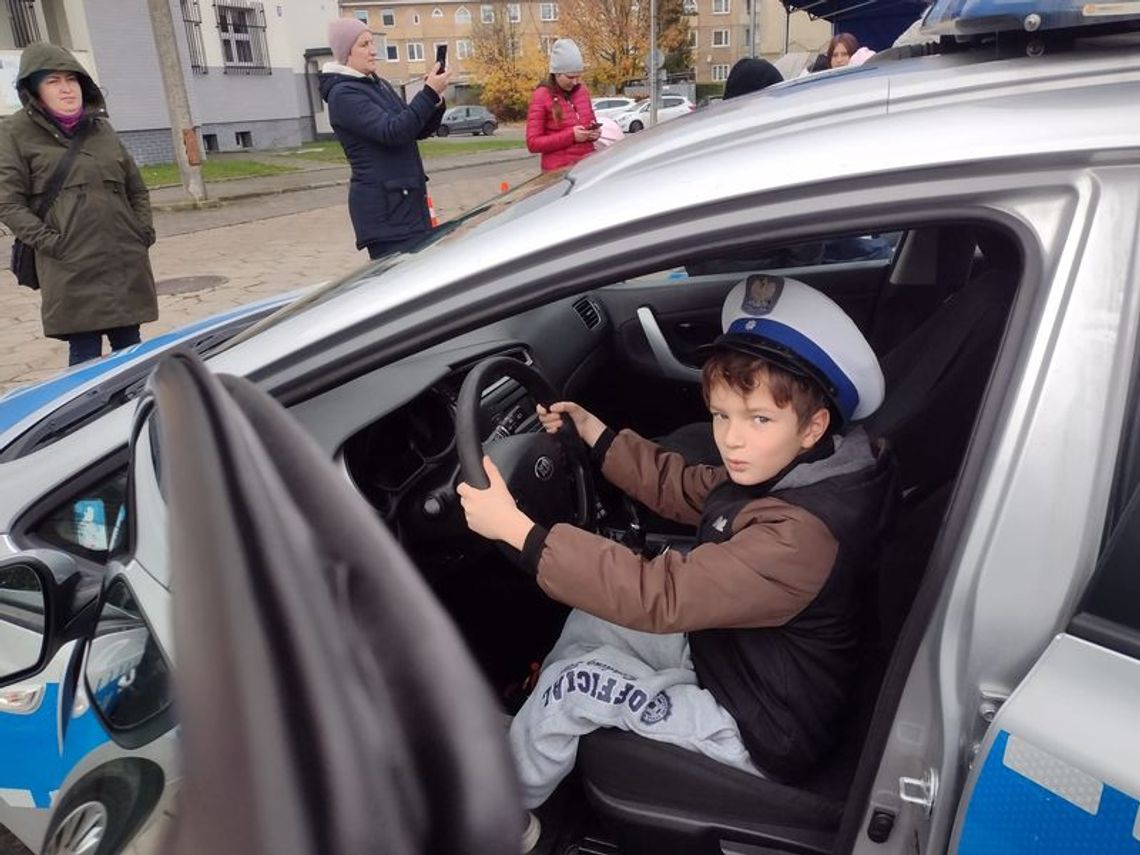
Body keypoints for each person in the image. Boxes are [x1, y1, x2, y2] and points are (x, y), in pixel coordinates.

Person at [458, 276, 898, 827]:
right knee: (590, 617)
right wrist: (595, 437)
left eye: (758, 419)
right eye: (721, 415)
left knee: (574, 686)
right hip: (745, 661)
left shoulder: (800, 535)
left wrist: (519, 533)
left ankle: (505, 819)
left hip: (759, 729)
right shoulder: (800, 471)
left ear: (813, 426)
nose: (732, 439)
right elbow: (690, 486)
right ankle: (535, 730)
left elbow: (660, 595)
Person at [0, 43, 158, 367]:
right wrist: (55, 244)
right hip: (70, 267)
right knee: (86, 364)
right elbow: (8, 202)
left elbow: (136, 189)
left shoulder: (101, 128)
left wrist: (142, 232)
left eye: (71, 79)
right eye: (53, 81)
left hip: (123, 260)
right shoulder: (14, 133)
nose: (66, 88)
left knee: (133, 357)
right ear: (33, 89)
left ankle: (137, 414)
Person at [319, 18, 450, 260]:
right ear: (346, 52)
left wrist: (435, 100)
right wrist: (428, 93)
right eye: (364, 44)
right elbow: (392, 132)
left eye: (372, 42)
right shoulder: (344, 94)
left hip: (407, 205)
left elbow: (414, 129)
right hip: (387, 215)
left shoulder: (377, 85)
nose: (373, 50)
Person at [526, 38, 599, 171]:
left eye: (578, 76)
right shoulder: (541, 96)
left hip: (587, 168)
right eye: (570, 77)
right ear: (556, 74)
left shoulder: (582, 91)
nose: (575, 82)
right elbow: (533, 143)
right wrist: (571, 136)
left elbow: (592, 121)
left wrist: (595, 133)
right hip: (559, 173)